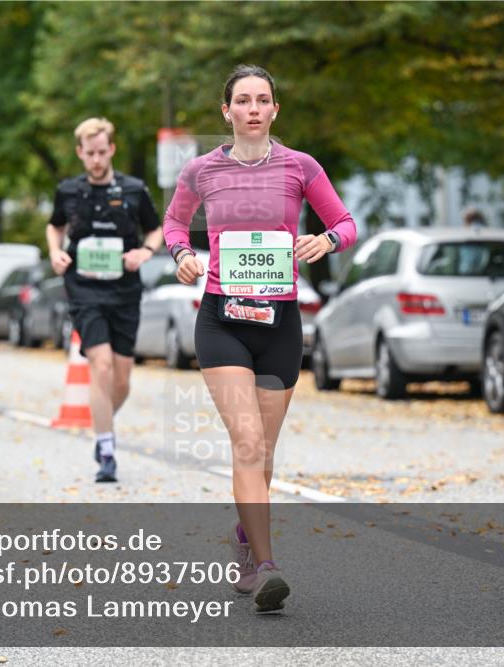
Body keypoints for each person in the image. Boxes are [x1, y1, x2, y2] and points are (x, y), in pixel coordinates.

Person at [162, 65, 357, 613]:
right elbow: (174, 224)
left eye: (262, 100)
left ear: (275, 109)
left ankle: (244, 539)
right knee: (247, 442)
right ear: (226, 111)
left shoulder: (301, 166)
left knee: (263, 454)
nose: (253, 108)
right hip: (221, 320)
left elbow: (345, 223)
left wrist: (325, 242)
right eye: (243, 100)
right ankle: (266, 567)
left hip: (280, 324)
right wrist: (182, 254)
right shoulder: (201, 170)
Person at [46, 117, 163, 483]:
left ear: (111, 150)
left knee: (122, 379)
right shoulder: (68, 191)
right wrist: (55, 252)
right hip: (84, 288)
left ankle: (102, 423)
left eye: (101, 152)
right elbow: (55, 225)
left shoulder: (134, 189)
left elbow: (155, 229)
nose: (96, 159)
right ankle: (107, 449)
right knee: (102, 365)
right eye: (89, 153)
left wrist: (144, 252)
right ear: (80, 153)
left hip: (125, 290)